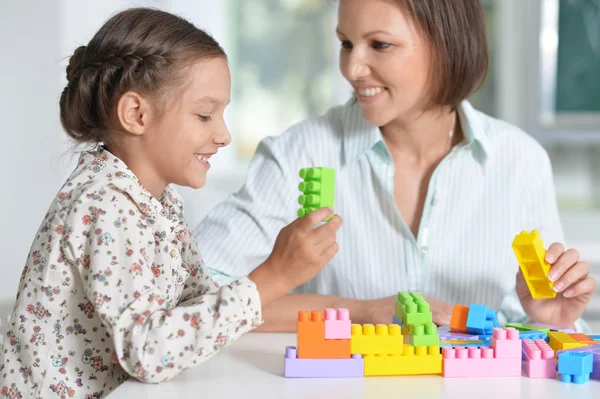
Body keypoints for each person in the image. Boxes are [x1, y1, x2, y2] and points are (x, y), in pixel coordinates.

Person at [0, 8, 342, 398]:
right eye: (204, 115)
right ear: (136, 114)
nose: (223, 135)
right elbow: (147, 351)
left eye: (222, 115)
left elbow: (197, 307)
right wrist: (275, 274)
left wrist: (283, 275)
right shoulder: (105, 205)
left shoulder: (159, 203)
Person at [195, 0, 596, 332]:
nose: (352, 68)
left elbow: (528, 331)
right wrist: (359, 311)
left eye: (380, 45)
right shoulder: (300, 153)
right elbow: (197, 298)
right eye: (346, 43)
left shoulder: (520, 162)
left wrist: (546, 320)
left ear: (446, 45)